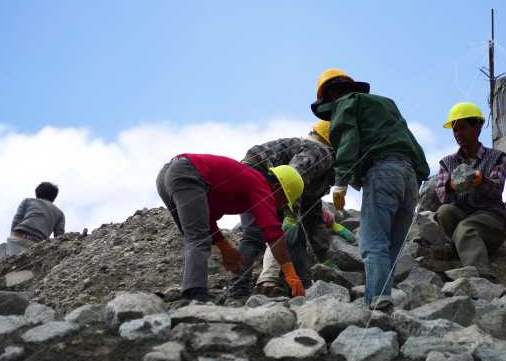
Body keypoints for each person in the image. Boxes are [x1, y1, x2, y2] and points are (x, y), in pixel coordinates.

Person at [310, 68, 430, 308]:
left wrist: (341, 181)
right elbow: (411, 142)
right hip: (410, 177)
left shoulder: (346, 103)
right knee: (393, 247)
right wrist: (418, 177)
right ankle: (384, 301)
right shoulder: (386, 104)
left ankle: (376, 302)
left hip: (383, 172)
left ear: (330, 96)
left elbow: (348, 139)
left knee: (373, 243)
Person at [227, 121, 355, 298]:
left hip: (258, 176)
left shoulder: (320, 170)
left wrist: (322, 254)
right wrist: (290, 214)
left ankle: (300, 286)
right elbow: (292, 176)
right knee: (256, 235)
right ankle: (241, 289)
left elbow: (312, 215)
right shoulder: (319, 152)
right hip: (261, 177)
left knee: (294, 238)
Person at [156, 153, 306, 302]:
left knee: (194, 234)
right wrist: (290, 274)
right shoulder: (260, 183)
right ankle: (195, 293)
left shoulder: (242, 185)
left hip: (168, 176)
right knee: (197, 237)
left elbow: (206, 220)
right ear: (277, 188)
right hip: (186, 172)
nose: (281, 207)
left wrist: (224, 247)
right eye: (284, 202)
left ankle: (190, 292)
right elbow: (272, 232)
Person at [435, 102, 506, 281]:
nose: (458, 134)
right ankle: (461, 248)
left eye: (462, 128)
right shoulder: (447, 162)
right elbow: (441, 195)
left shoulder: (497, 157)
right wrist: (451, 186)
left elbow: (497, 189)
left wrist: (481, 181)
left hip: (492, 220)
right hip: (463, 213)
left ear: (477, 127)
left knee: (465, 228)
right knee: (444, 211)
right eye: (455, 130)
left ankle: (482, 276)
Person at [8, 182, 65, 255]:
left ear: (37, 193)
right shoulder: (59, 213)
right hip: (37, 244)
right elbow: (59, 236)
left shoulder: (28, 201)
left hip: (18, 237)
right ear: (54, 197)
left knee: (14, 263)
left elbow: (17, 219)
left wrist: (12, 235)